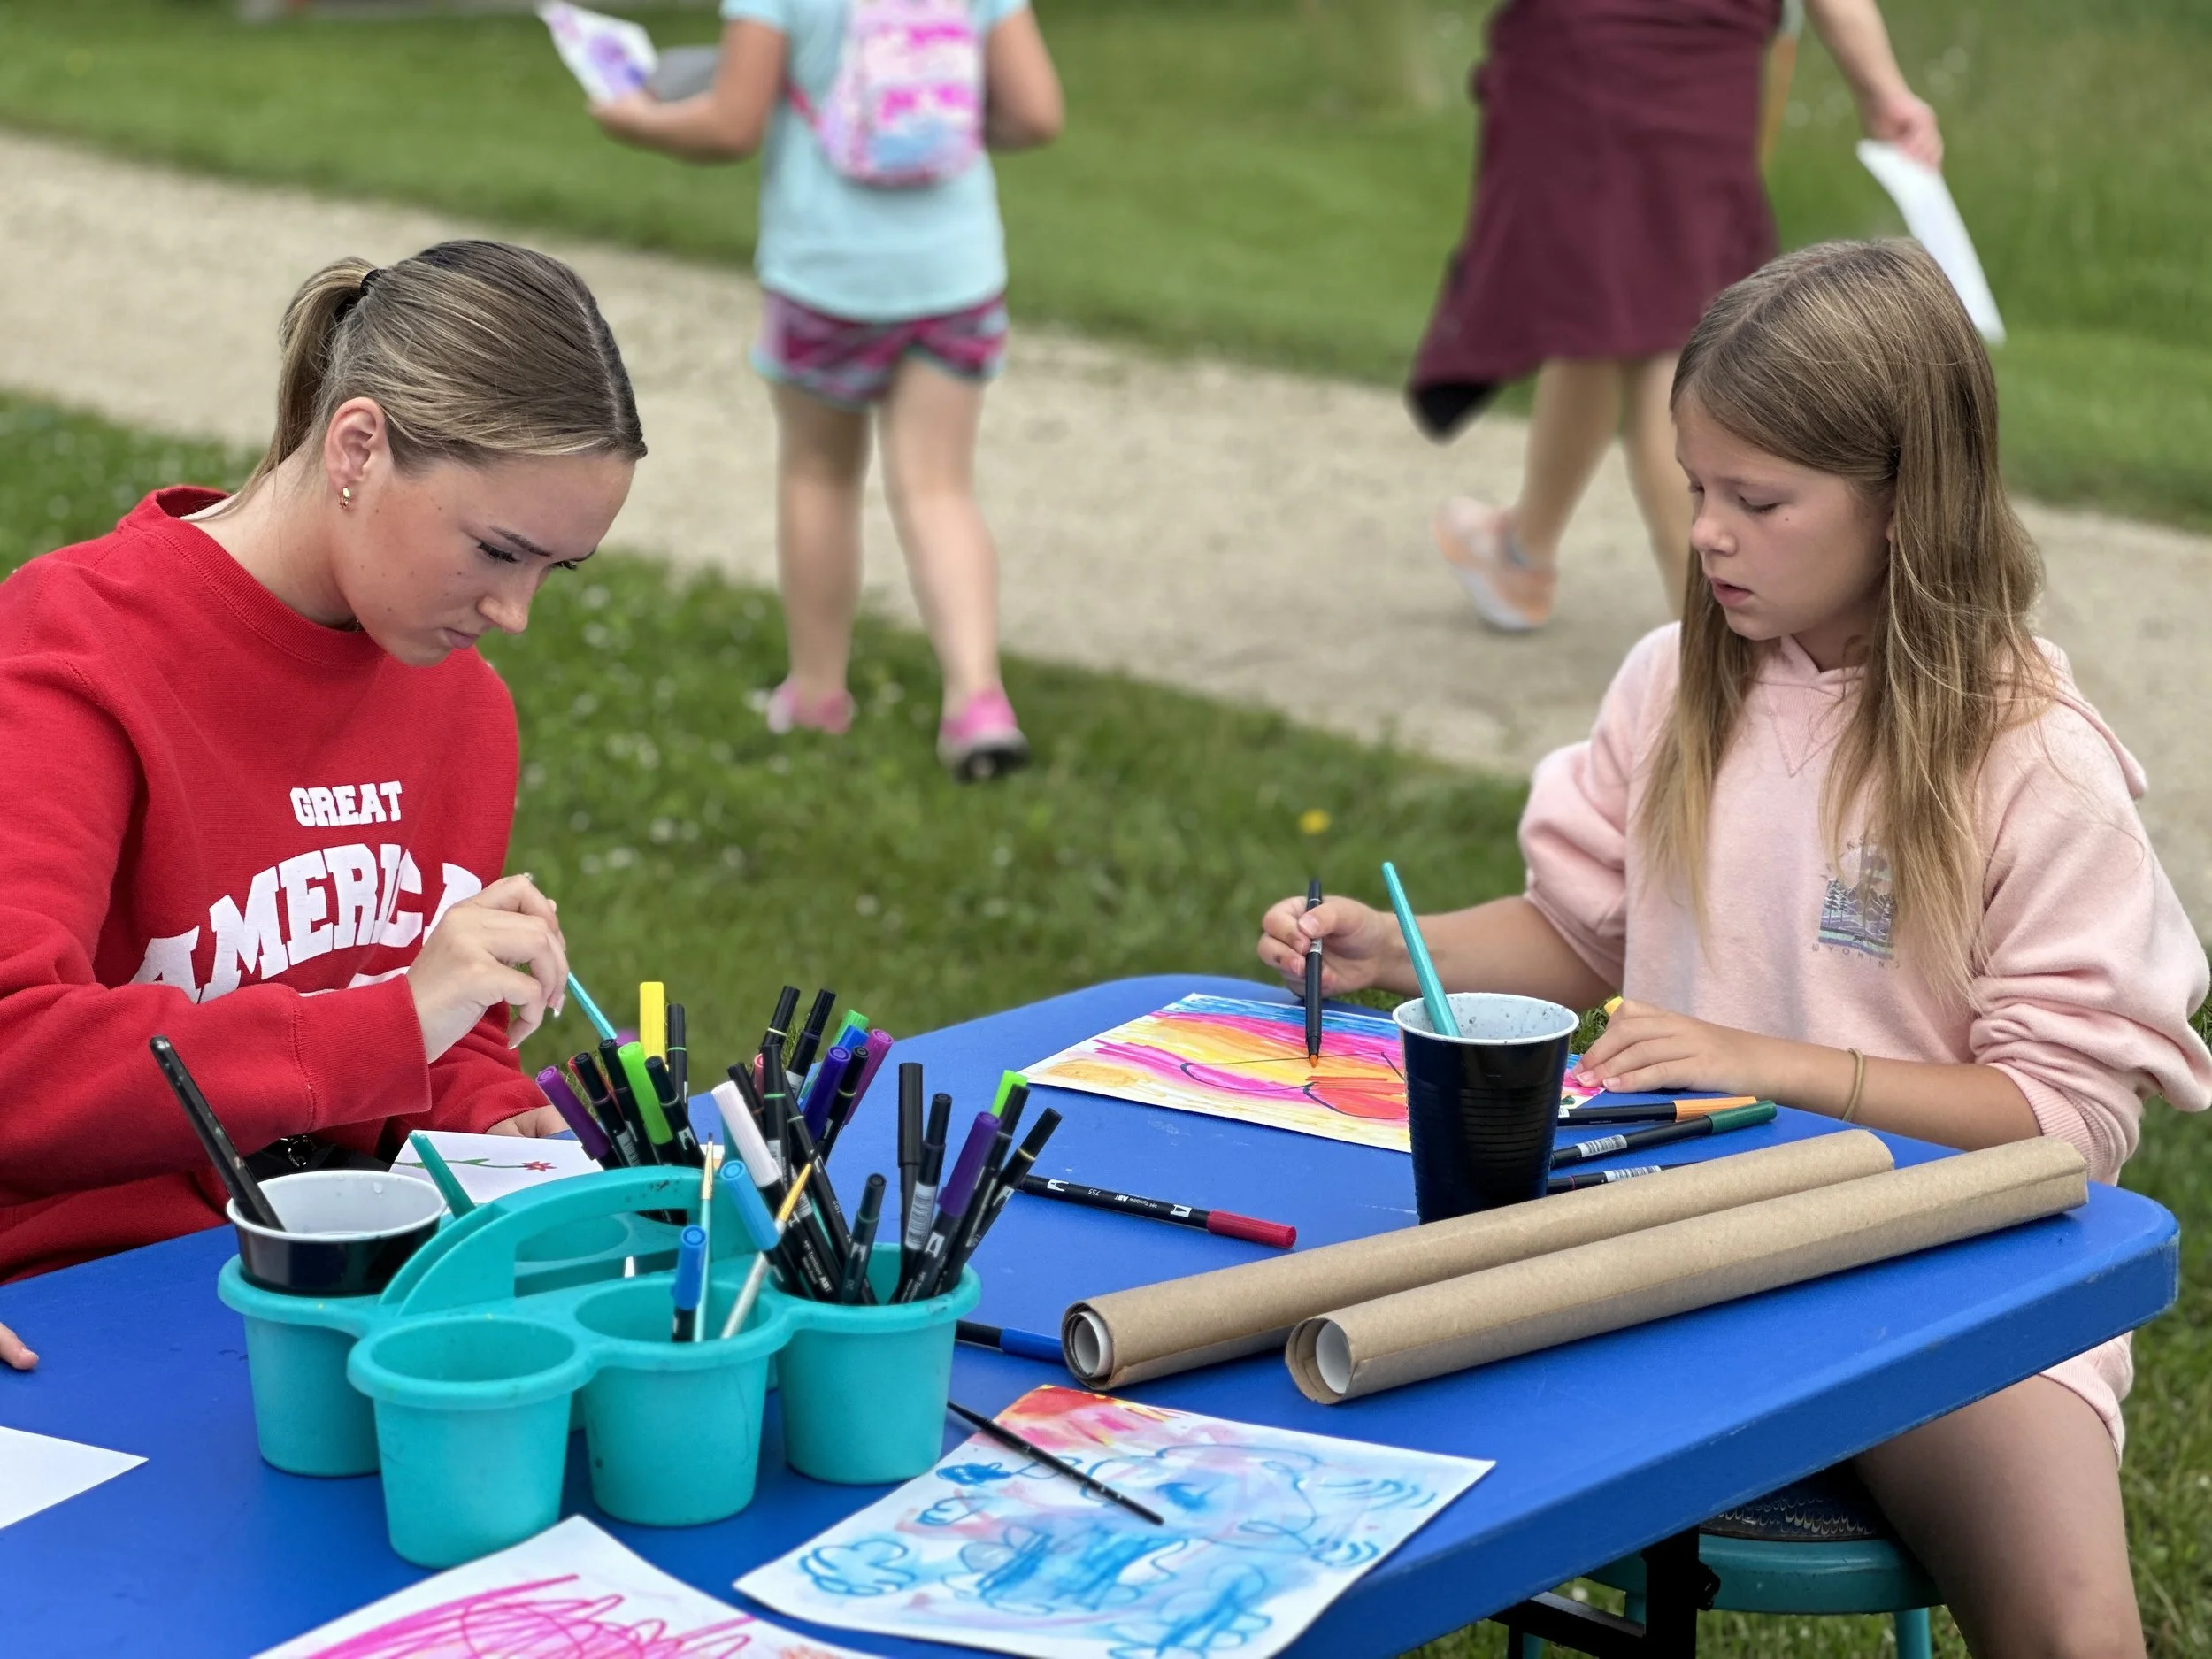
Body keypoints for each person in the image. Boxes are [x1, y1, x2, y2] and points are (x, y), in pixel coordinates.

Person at [1261, 242, 2210, 1657]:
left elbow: (2061, 1127)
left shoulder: (2032, 759)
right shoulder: (1673, 680)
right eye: (1696, 487)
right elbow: (1580, 934)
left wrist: (1771, 1064)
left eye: (1757, 501)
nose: (1706, 533)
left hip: (1945, 1278)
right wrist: (1400, 947)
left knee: (2071, 1628)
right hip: (1668, 1247)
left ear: (1906, 501)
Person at [0, 241, 646, 1319]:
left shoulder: (462, 703)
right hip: (85, 1297)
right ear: (358, 447)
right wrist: (393, 1024)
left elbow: (417, 1021)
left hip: (337, 1276)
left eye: (555, 568)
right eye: (498, 550)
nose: (516, 612)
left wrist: (488, 1114)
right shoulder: (78, 648)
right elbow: (16, 1058)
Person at [588, 0, 1064, 780]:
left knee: (820, 475)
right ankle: (978, 704)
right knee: (939, 487)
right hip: (956, 271)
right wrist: (941, 131)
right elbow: (1037, 113)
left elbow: (730, 125)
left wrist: (634, 120)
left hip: (828, 274)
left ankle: (816, 694)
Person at [1411, 0, 1943, 630]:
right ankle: (1524, 553)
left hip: (1589, 46)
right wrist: (1884, 91)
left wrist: (1884, 92)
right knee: (1613, 315)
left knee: (1661, 341)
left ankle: (1721, 651)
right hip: (1703, 61)